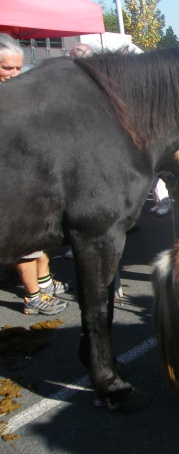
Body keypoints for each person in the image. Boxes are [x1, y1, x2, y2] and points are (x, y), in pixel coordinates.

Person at [1, 34, 71, 315]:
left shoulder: (17, 92)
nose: (15, 74)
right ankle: (33, 295)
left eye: (18, 68)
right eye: (7, 68)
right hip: (10, 180)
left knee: (44, 233)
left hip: (32, 175)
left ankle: (43, 281)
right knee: (25, 238)